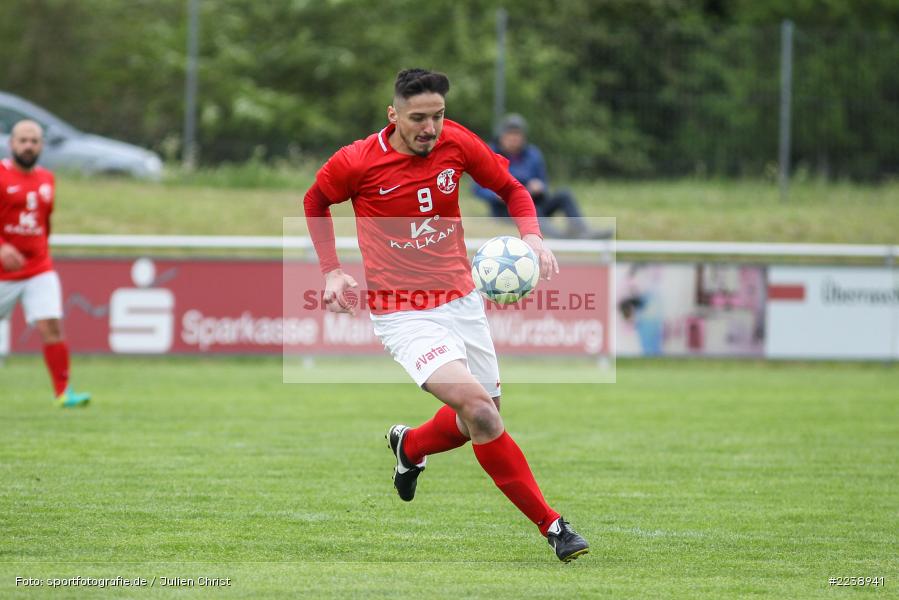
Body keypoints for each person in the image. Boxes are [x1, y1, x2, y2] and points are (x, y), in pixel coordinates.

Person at [303, 68, 588, 562]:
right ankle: (554, 527)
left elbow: (514, 190)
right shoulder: (356, 161)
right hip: (402, 313)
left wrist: (533, 237)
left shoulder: (456, 143)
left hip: (461, 301)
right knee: (478, 411)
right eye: (418, 118)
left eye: (437, 116)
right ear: (393, 115)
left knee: (484, 417)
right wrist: (331, 271)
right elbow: (315, 201)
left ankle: (409, 446)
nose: (430, 128)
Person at [0, 120, 90, 407]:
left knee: (52, 324)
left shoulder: (47, 180)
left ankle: (63, 392)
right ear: (12, 143)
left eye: (34, 141)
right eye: (23, 140)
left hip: (38, 267)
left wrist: (41, 250)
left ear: (42, 145)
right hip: (3, 272)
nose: (28, 146)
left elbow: (44, 222)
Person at [473, 114, 609, 239]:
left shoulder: (533, 154)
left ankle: (583, 230)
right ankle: (562, 238)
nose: (514, 139)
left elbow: (544, 182)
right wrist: (496, 195)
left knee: (564, 194)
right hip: (507, 208)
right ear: (501, 137)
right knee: (531, 209)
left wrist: (539, 186)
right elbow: (477, 188)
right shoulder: (490, 153)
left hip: (534, 200)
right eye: (510, 135)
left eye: (517, 135)